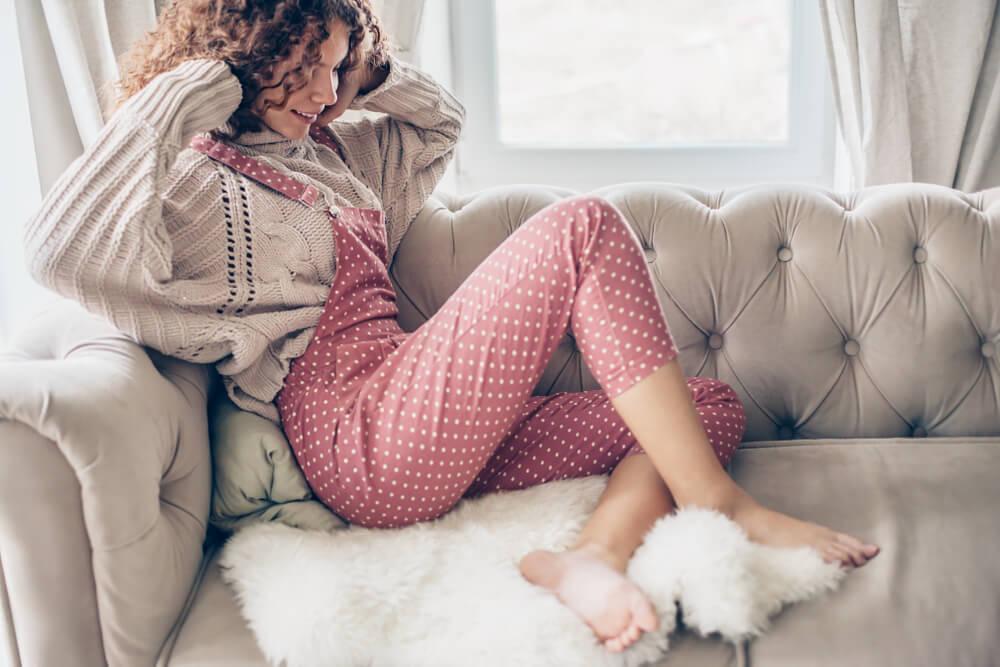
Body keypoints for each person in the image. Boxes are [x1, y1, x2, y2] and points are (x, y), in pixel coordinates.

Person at [22, 0, 880, 654]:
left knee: (704, 406)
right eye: (305, 66)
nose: (325, 91)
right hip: (358, 436)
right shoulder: (201, 189)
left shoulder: (329, 155)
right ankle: (719, 502)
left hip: (419, 429)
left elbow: (441, 124)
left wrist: (369, 72)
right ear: (241, 58)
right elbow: (59, 251)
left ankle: (592, 558)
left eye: (334, 66)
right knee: (582, 227)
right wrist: (183, 95)